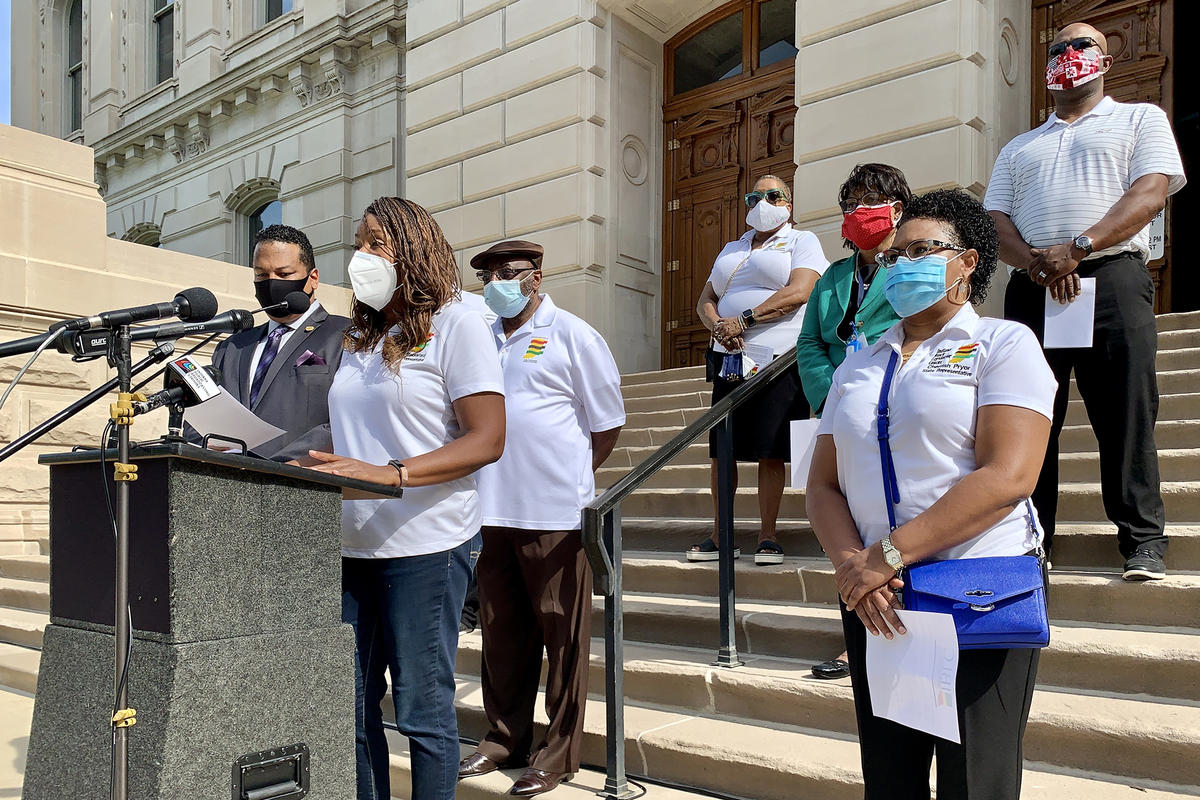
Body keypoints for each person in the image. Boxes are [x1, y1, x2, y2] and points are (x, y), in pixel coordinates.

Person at [808, 189, 1056, 799]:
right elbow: (821, 483)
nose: (900, 265)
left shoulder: (1004, 344)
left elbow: (1008, 476)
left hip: (974, 587)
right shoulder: (857, 367)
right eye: (893, 255)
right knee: (891, 779)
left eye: (921, 250)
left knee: (976, 782)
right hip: (878, 596)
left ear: (967, 262)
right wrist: (852, 567)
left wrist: (886, 556)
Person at [304, 197, 507, 800]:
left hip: (428, 540)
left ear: (413, 248)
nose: (361, 255)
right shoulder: (361, 338)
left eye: (376, 243)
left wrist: (390, 474)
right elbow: (353, 434)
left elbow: (488, 438)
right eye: (358, 241)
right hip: (351, 542)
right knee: (353, 710)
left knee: (421, 711)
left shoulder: (457, 322)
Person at [985, 22, 1186, 581]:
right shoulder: (1019, 146)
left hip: (1111, 280)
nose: (1068, 56)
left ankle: (1142, 539)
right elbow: (994, 220)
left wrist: (1078, 247)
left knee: (1126, 410)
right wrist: (1037, 263)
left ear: (1105, 60)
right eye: (1057, 48)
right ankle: (1030, 538)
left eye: (1082, 46)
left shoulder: (1140, 119)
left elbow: (1150, 191)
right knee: (1027, 414)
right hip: (1033, 287)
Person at [458, 240, 626, 797]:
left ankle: (558, 753)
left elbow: (606, 423)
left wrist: (572, 477)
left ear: (536, 276)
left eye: (509, 274)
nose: (498, 284)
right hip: (491, 509)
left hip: (554, 512)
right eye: (488, 277)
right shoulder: (480, 338)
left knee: (563, 636)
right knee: (502, 633)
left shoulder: (574, 334)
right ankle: (504, 735)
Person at [795, 163, 909, 681]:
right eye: (852, 203)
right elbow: (811, 343)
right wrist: (830, 396)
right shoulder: (834, 279)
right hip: (840, 416)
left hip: (896, 406)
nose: (859, 212)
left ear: (896, 208)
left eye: (870, 200)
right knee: (844, 519)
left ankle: (895, 619)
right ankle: (858, 627)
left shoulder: (913, 267)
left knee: (891, 519)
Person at [691, 174, 828, 565]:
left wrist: (744, 320)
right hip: (729, 356)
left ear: (789, 203)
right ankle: (722, 534)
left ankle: (768, 534)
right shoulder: (732, 248)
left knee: (770, 449)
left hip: (777, 358)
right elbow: (707, 298)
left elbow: (800, 291)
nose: (763, 201)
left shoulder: (803, 241)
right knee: (722, 450)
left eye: (773, 195)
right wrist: (718, 325)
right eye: (756, 195)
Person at [203, 224, 348, 461]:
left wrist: (273, 463)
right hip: (226, 481)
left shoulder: (346, 336)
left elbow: (345, 421)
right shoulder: (231, 347)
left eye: (283, 274)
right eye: (262, 275)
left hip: (303, 481)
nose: (271, 283)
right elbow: (202, 417)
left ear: (313, 278)